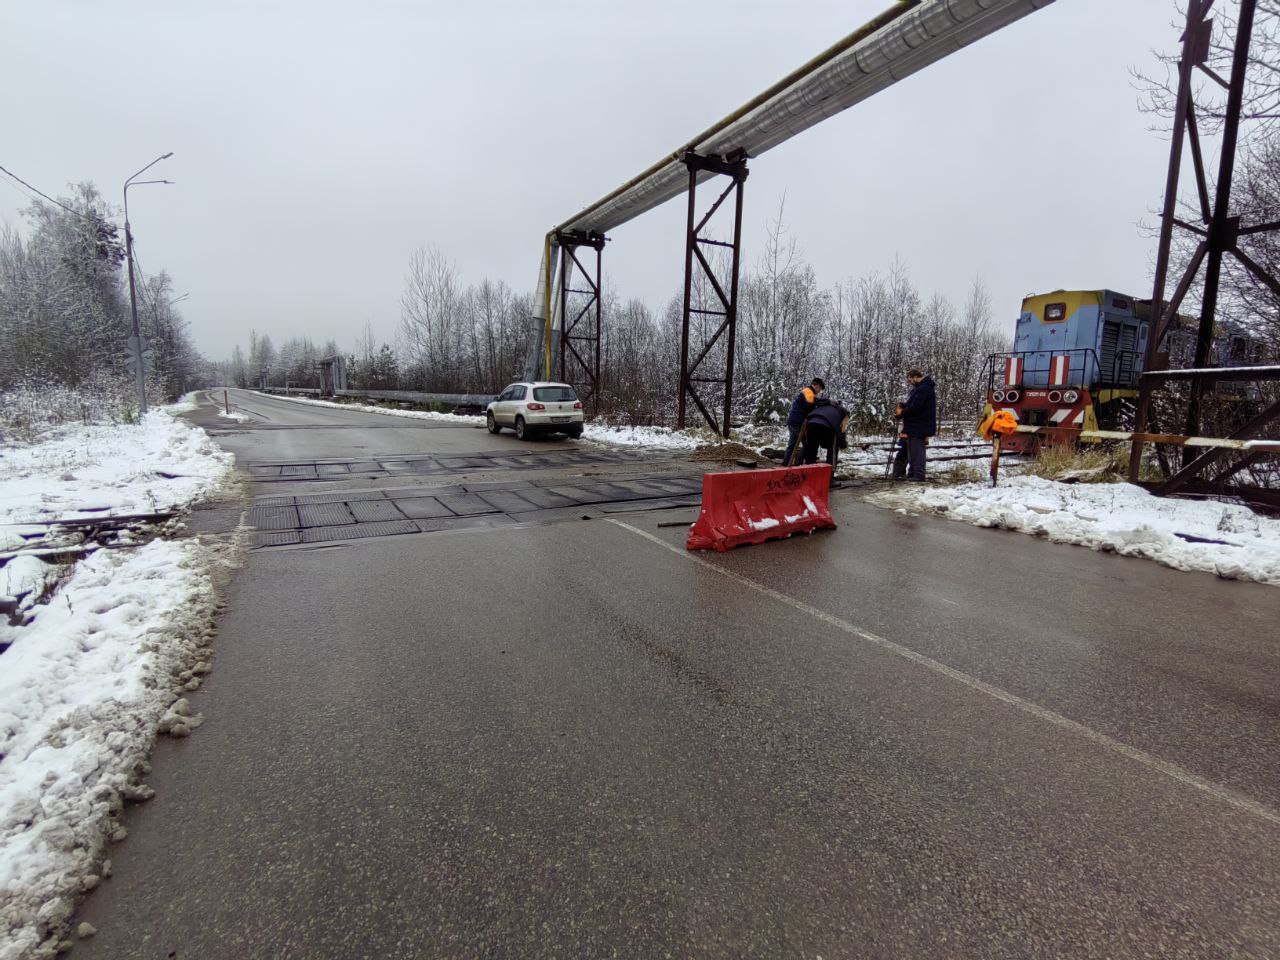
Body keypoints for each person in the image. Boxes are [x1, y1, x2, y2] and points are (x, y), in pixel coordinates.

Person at [892, 369, 937, 481]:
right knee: (912, 451)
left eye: (910, 380)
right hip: (916, 426)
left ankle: (918, 475)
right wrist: (905, 405)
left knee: (917, 453)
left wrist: (902, 412)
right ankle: (912, 474)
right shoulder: (921, 388)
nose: (910, 382)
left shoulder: (923, 389)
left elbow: (916, 407)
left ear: (915, 377)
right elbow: (914, 405)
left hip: (919, 426)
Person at [784, 378, 825, 465]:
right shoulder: (809, 392)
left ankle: (785, 462)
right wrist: (825, 402)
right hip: (798, 423)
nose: (819, 391)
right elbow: (810, 405)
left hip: (792, 421)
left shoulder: (807, 392)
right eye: (820, 389)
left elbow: (813, 402)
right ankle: (798, 462)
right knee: (808, 444)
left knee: (792, 444)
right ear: (816, 385)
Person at [801, 398, 849, 467]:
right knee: (833, 448)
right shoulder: (844, 411)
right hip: (828, 425)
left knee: (811, 449)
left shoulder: (821, 406)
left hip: (810, 423)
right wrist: (843, 444)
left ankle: (809, 469)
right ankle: (830, 471)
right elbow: (843, 429)